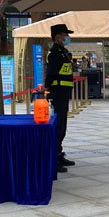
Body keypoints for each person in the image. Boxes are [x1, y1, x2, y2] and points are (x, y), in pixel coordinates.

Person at [45, 23, 75, 173]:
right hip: (57, 93)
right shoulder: (54, 53)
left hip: (64, 93)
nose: (67, 37)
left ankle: (59, 153)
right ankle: (54, 159)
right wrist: (47, 88)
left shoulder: (63, 51)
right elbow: (51, 73)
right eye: (65, 35)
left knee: (62, 125)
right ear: (58, 37)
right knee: (58, 125)